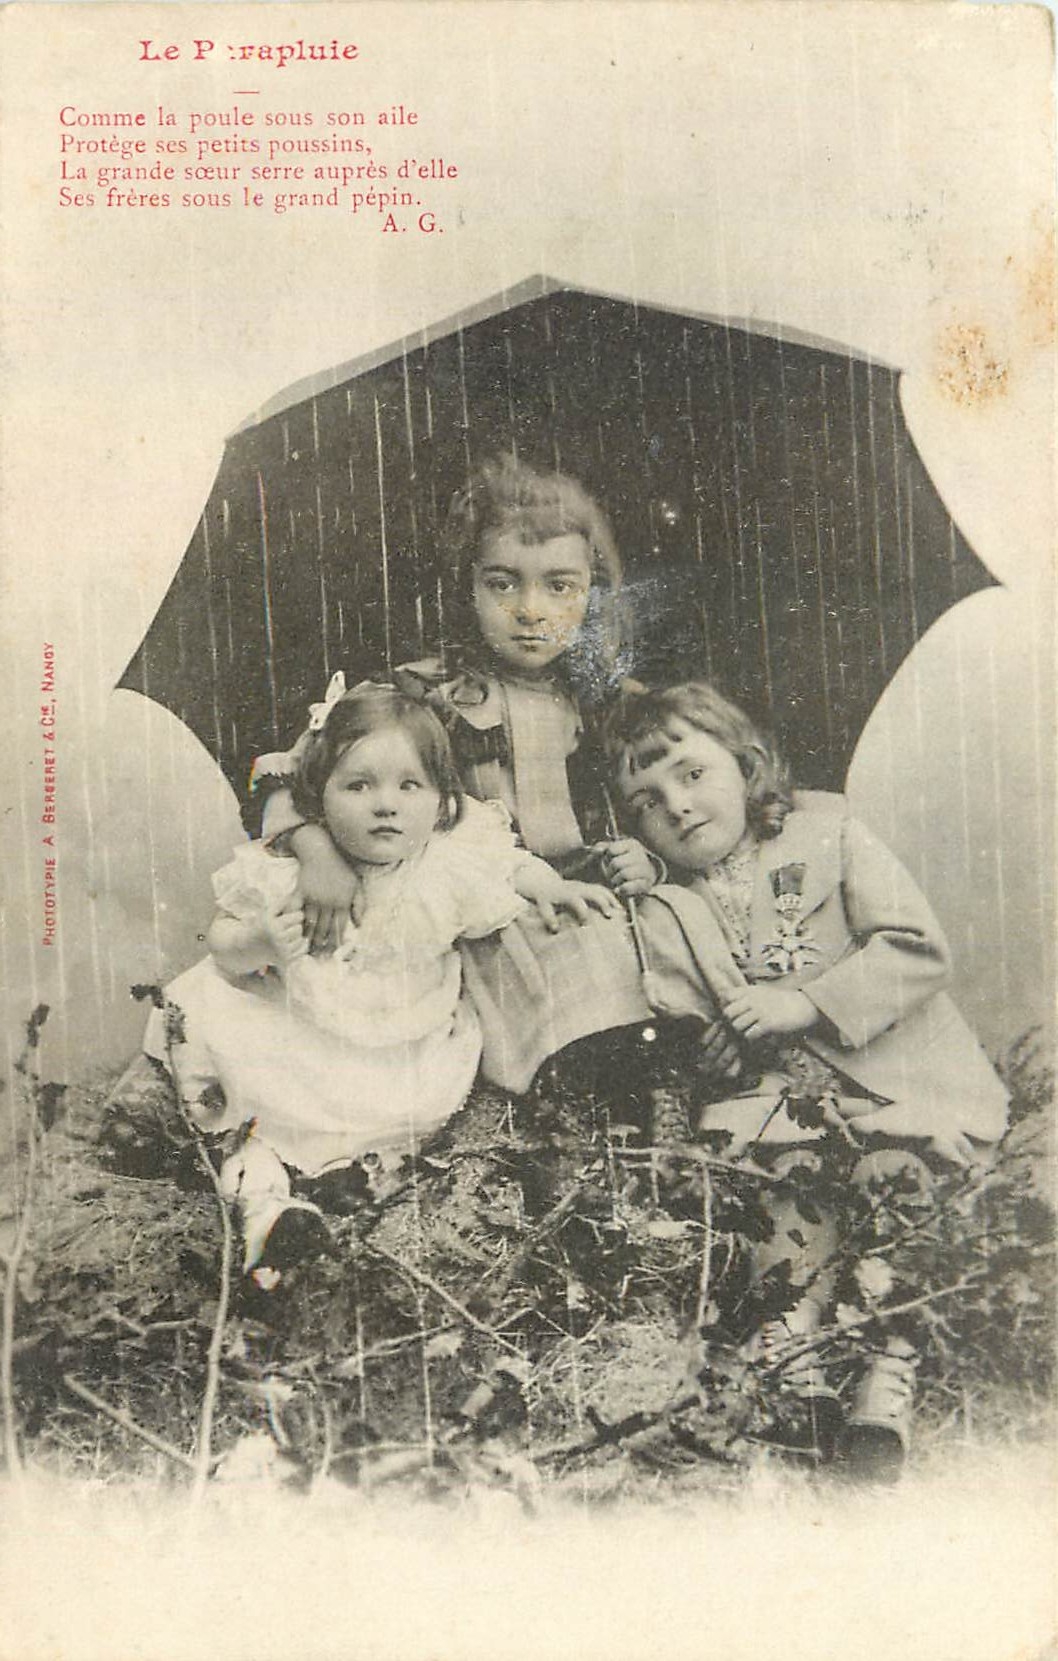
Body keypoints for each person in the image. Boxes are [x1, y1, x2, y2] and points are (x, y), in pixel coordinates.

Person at [604, 680, 1009, 1473]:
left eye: (691, 774)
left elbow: (915, 946)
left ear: (746, 763)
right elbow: (685, 1003)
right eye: (647, 801)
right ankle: (796, 1360)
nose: (678, 805)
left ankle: (886, 1379)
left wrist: (805, 1002)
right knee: (792, 1194)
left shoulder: (828, 830)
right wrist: (717, 1037)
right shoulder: (670, 901)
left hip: (900, 1080)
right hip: (785, 1102)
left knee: (898, 1188)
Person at [143, 681, 616, 1284]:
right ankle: (267, 1214)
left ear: (443, 800)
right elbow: (223, 945)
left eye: (408, 785)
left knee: (391, 1125)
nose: (384, 804)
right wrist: (260, 943)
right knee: (249, 1122)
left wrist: (553, 887)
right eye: (358, 785)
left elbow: (510, 866)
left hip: (400, 1040)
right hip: (297, 1029)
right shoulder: (290, 871)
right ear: (318, 798)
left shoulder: (446, 862)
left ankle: (348, 1189)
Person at [252, 455, 661, 1086]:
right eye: (503, 583)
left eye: (560, 586)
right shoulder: (423, 694)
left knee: (640, 939)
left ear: (594, 592)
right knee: (570, 959)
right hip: (476, 905)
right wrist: (317, 854)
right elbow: (289, 779)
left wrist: (646, 858)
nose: (530, 609)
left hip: (581, 889)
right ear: (466, 587)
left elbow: (670, 806)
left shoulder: (611, 702)